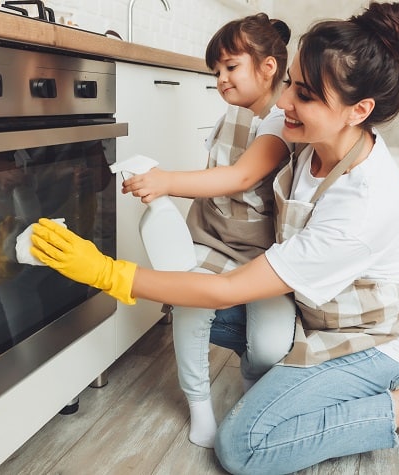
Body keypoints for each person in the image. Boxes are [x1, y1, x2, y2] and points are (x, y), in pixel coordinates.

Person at [29, 2, 399, 474]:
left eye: (306, 94)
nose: (284, 101)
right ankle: (303, 387)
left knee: (243, 448)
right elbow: (238, 173)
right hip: (314, 311)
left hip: (370, 337)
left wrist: (107, 273)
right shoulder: (299, 129)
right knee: (183, 304)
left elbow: (228, 289)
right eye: (290, 82)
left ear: (359, 111)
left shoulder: (364, 204)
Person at [121, 13, 296, 448]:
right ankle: (198, 401)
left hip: (263, 258)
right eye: (216, 71)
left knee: (273, 346)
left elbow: (238, 178)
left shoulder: (280, 122)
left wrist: (166, 181)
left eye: (231, 67)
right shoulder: (232, 115)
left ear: (268, 66)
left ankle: (254, 380)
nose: (221, 80)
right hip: (212, 240)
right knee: (190, 303)